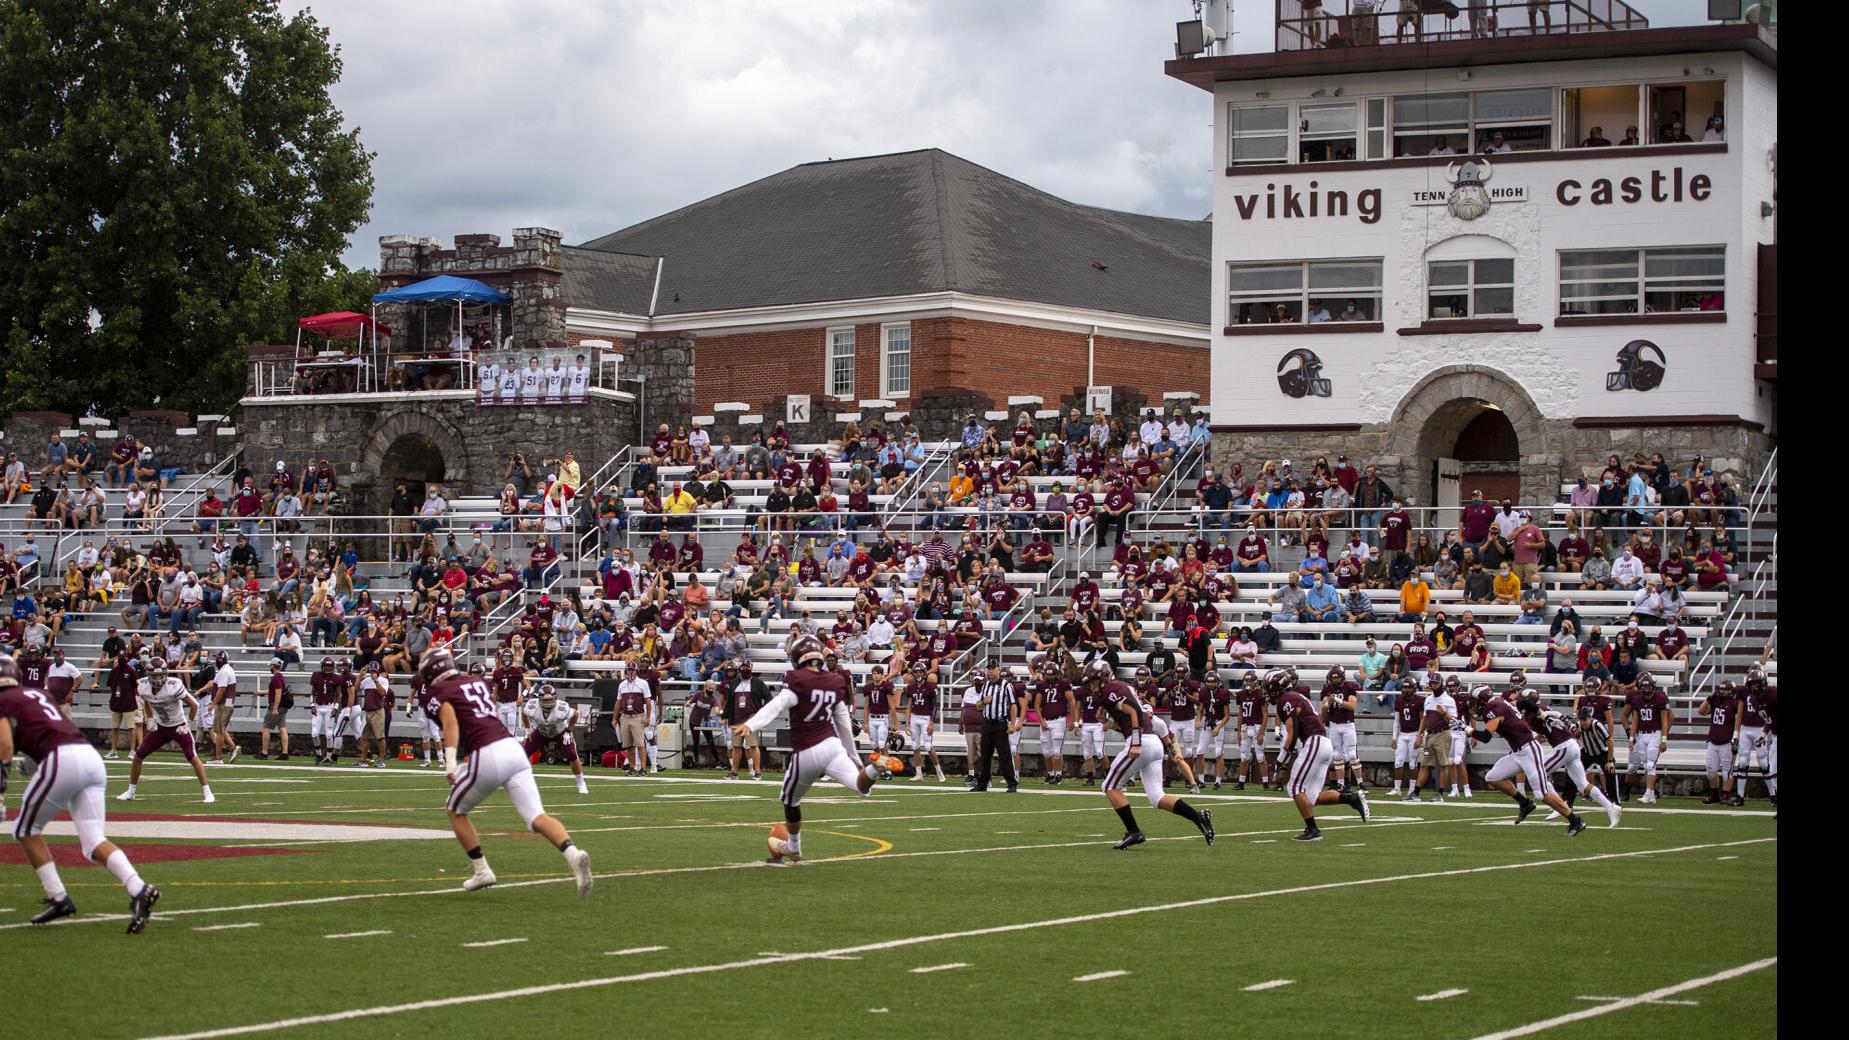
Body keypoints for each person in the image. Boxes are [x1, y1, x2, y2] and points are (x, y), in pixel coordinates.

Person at [413, 648, 593, 896]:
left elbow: (451, 721)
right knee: (536, 817)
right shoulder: (474, 682)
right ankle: (573, 854)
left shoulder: (439, 691)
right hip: (513, 750)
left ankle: (482, 870)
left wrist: (451, 762)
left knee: (455, 810)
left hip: (488, 752)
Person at [1, 659, 162, 931]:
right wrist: (28, 764)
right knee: (93, 842)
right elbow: (48, 731)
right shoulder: (38, 695)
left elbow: (5, 744)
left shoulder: (4, 701)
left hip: (62, 759)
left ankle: (59, 897)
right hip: (89, 758)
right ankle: (139, 889)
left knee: (25, 829)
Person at [733, 636, 906, 864]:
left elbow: (777, 705)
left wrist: (751, 724)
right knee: (859, 785)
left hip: (806, 751)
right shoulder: (834, 681)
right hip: (832, 746)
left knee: (790, 801)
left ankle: (794, 848)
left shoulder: (796, 679)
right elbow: (843, 724)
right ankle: (875, 769)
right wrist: (855, 758)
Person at [1082, 659, 1215, 850]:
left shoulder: (1111, 689)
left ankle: (1133, 831)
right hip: (1153, 743)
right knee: (1157, 797)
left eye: (1093, 681)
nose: (1092, 686)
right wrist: (1110, 723)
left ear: (1103, 676)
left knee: (1110, 785)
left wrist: (1135, 743)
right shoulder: (1119, 687)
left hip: (1142, 742)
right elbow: (1127, 721)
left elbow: (1135, 711)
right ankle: (1198, 817)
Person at [1466, 684, 1588, 835]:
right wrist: (1544, 716)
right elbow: (1526, 703)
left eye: (1474, 701)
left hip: (1529, 751)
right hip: (1517, 752)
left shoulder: (1494, 709)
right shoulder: (1501, 702)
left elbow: (1485, 737)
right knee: (1492, 777)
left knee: (1541, 793)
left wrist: (1466, 729)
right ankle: (1524, 803)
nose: (1473, 705)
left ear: (1482, 700)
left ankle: (1575, 821)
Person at [1266, 667, 1369, 841]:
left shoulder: (1286, 699)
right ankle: (1352, 799)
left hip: (1314, 742)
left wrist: (1280, 760)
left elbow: (1292, 735)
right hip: (1323, 743)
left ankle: (1313, 830)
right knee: (1312, 796)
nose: (1267, 691)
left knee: (1293, 787)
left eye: (1269, 686)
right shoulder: (1295, 696)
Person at [114, 662, 215, 804]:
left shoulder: (174, 685)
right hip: (160, 727)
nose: (158, 679)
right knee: (138, 756)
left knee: (192, 756)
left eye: (160, 675)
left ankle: (208, 792)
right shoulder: (143, 686)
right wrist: (150, 719)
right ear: (148, 676)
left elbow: (194, 704)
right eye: (154, 676)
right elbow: (147, 701)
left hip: (178, 726)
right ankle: (131, 791)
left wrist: (188, 723)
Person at [1519, 690, 1622, 828]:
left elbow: (1559, 717)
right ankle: (1611, 807)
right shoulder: (1537, 714)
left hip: (1564, 746)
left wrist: (1568, 725)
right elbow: (1544, 735)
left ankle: (1559, 804)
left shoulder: (1541, 712)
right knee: (1582, 785)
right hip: (1570, 747)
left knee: (1538, 772)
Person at [524, 683, 589, 796]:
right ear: (539, 700)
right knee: (522, 754)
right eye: (546, 700)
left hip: (560, 732)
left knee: (572, 755)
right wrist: (527, 730)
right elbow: (524, 714)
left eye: (550, 700)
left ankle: (581, 783)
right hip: (541, 732)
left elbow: (576, 714)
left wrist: (569, 730)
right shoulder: (532, 706)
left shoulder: (561, 708)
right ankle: (518, 781)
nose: (548, 703)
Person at [970, 661, 1021, 793]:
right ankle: (983, 784)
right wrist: (983, 701)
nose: (991, 672)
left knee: (1004, 754)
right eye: (989, 669)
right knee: (985, 755)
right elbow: (978, 706)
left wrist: (1012, 724)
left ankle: (1012, 783)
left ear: (998, 670)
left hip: (1000, 723)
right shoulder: (985, 685)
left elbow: (1013, 705)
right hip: (987, 723)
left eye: (993, 669)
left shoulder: (1006, 685)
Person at [1621, 673, 1672, 803]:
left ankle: (1648, 794)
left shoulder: (1660, 698)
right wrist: (1632, 739)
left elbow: (1665, 721)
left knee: (1650, 765)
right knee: (1645, 764)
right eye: (1643, 687)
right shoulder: (1637, 700)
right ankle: (1651, 795)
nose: (1645, 689)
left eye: (1648, 686)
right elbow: (1635, 722)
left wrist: (1664, 739)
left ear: (1653, 686)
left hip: (1655, 734)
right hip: (1641, 735)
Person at [898, 660, 947, 783]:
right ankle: (918, 773)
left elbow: (935, 706)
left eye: (920, 671)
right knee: (915, 746)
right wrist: (907, 723)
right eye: (916, 671)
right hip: (914, 717)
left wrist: (932, 722)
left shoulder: (930, 686)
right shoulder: (911, 687)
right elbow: (909, 706)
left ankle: (940, 773)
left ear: (925, 673)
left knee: (928, 746)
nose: (918, 673)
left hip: (926, 718)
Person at [1697, 681, 1738, 807]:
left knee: (1727, 772)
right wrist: (1709, 698)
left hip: (1726, 742)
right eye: (1721, 689)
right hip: (1713, 742)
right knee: (1710, 769)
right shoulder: (1715, 701)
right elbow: (1701, 711)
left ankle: (1725, 794)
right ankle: (1714, 794)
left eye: (1726, 689)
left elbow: (1738, 722)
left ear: (1731, 691)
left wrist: (1735, 739)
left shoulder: (1735, 704)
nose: (1723, 692)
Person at [257, 658, 291, 759]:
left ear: (273, 666)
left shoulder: (276, 677)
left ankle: (264, 752)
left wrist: (275, 708)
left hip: (277, 706)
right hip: (283, 706)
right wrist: (262, 692)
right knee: (282, 727)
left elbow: (278, 693)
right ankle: (285, 752)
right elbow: (274, 691)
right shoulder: (281, 677)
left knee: (266, 727)